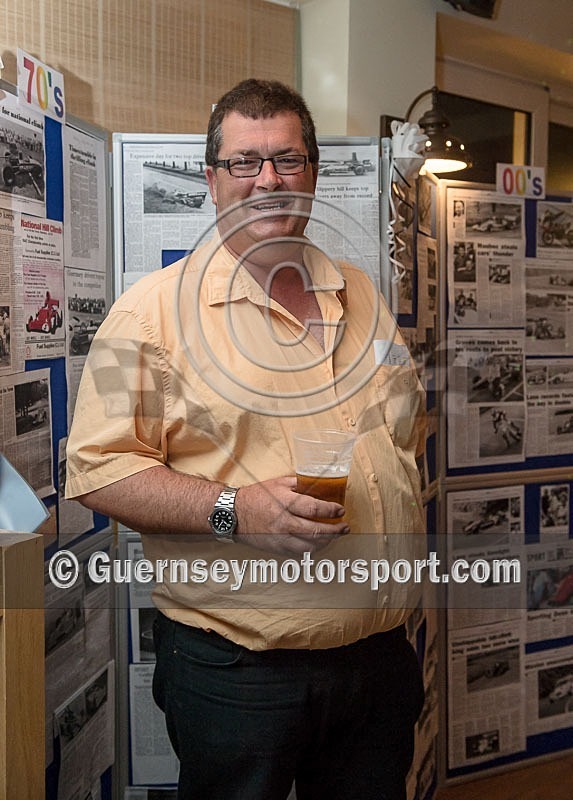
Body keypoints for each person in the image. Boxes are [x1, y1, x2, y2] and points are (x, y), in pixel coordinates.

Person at [66, 79, 426, 800]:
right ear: (211, 179)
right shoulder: (149, 315)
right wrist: (235, 510)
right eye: (244, 161)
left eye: (287, 159)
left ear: (313, 173)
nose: (268, 179)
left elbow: (402, 441)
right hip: (239, 676)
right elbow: (99, 473)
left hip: (379, 661)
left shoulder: (362, 296)